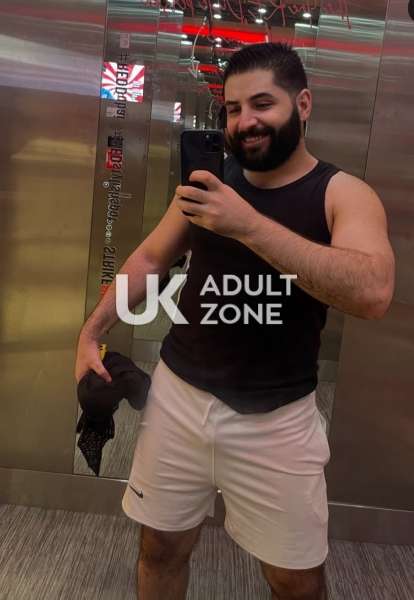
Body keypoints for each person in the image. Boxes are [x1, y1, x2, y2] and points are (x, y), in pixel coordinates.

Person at [75, 43, 395, 600]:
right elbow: (150, 259)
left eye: (263, 104)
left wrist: (246, 224)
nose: (245, 122)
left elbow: (372, 293)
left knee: (296, 580)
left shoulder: (342, 193)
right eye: (233, 108)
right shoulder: (210, 183)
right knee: (160, 548)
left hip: (277, 418)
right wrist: (91, 332)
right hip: (179, 398)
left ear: (303, 104)